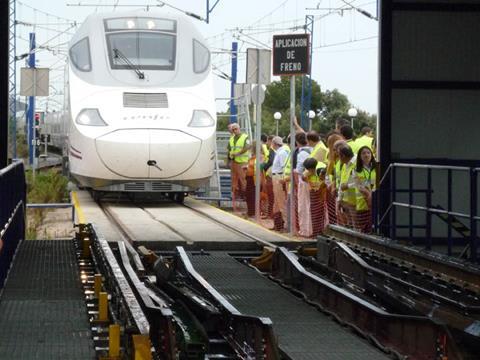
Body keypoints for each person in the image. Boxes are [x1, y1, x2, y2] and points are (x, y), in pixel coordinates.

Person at [354, 146, 376, 233]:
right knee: (363, 230)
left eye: (368, 153)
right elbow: (359, 186)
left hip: (374, 203)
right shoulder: (356, 170)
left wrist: (372, 195)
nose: (366, 155)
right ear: (359, 156)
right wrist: (369, 195)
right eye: (363, 153)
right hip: (362, 204)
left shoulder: (376, 168)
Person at [303, 157, 327, 236]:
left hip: (322, 194)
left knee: (321, 214)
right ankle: (316, 232)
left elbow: (324, 182)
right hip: (313, 194)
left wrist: (319, 189)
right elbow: (303, 177)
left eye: (310, 170)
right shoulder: (308, 171)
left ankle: (320, 232)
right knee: (314, 213)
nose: (309, 171)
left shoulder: (320, 169)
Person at [270, 136, 290, 230]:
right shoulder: (279, 152)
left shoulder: (282, 153)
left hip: (279, 177)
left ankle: (286, 224)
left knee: (281, 201)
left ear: (274, 144)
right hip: (276, 176)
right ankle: (278, 224)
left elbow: (284, 167)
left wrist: (282, 180)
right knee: (277, 202)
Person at [228, 123, 250, 199]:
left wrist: (238, 153)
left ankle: (245, 195)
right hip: (234, 161)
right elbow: (229, 149)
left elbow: (247, 147)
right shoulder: (231, 138)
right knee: (234, 179)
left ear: (239, 128)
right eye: (233, 129)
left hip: (242, 162)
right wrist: (229, 160)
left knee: (243, 179)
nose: (234, 131)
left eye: (236, 129)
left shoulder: (245, 137)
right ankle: (234, 195)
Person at [338, 145, 357, 227]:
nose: (338, 158)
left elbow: (362, 182)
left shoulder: (357, 163)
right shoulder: (345, 164)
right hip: (346, 201)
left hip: (356, 202)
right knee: (350, 225)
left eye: (339, 156)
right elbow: (342, 182)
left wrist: (348, 186)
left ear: (343, 156)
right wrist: (340, 199)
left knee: (357, 226)